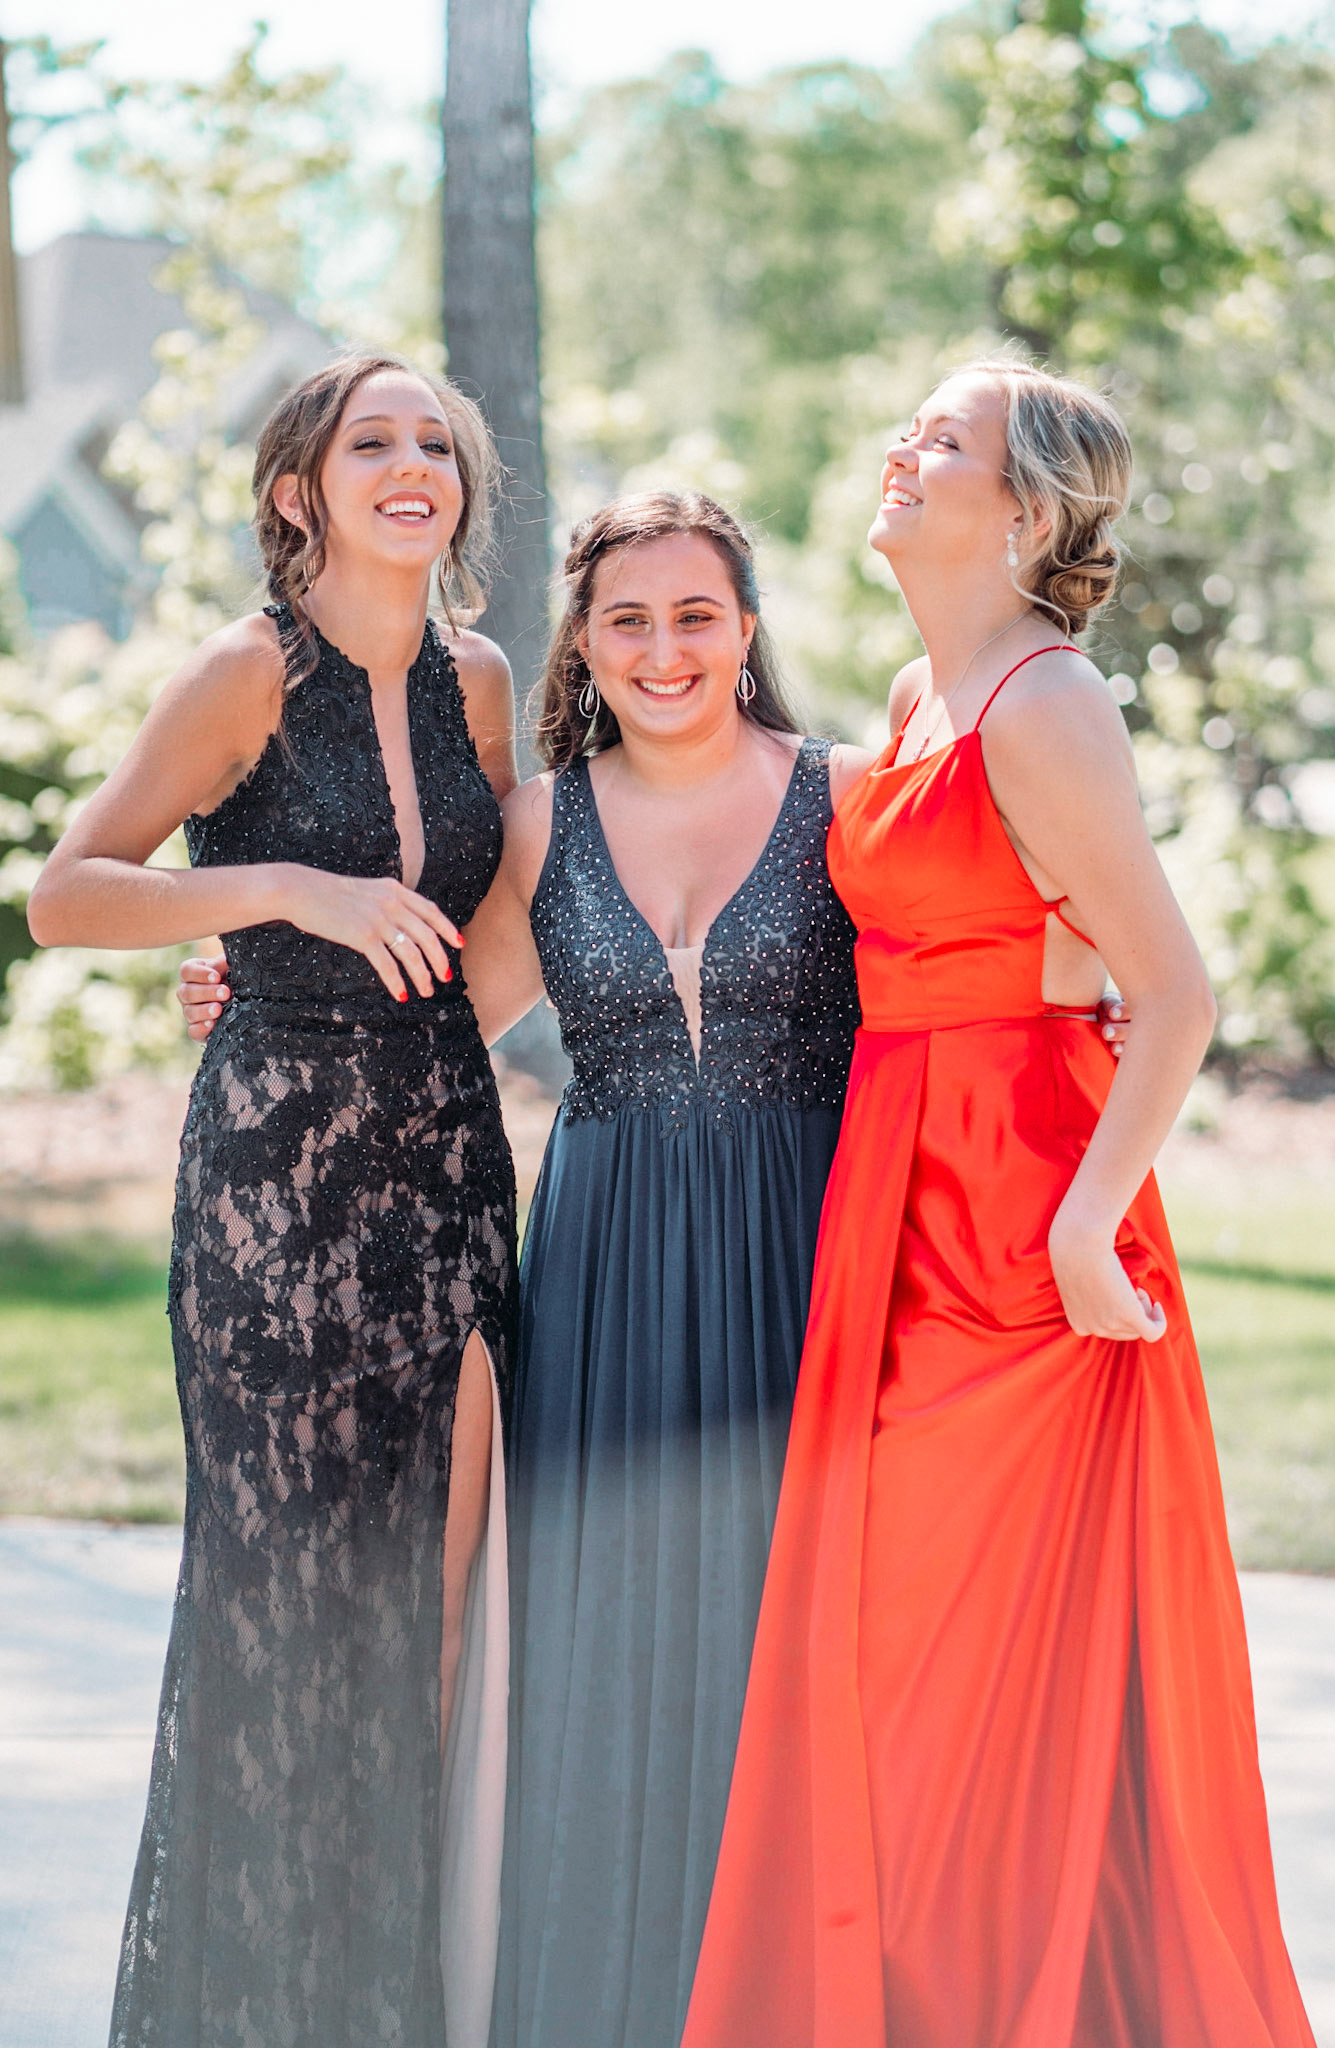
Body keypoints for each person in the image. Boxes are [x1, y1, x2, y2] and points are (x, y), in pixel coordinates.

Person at [176, 488, 1130, 2048]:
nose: (663, 649)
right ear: (585, 641)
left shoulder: (846, 796)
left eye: (695, 615)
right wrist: (264, 984)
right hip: (606, 1270)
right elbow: (431, 1020)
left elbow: (997, 939)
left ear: (746, 629)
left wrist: (1089, 1016)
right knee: (609, 1635)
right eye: (627, 619)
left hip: (815, 1255)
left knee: (805, 1638)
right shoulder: (539, 824)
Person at [682, 362, 1316, 2048]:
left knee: (949, 1688)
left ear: (1025, 512)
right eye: (912, 426)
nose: (903, 450)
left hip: (1019, 1224)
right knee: (879, 1668)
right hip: (893, 1188)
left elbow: (1170, 993)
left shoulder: (1046, 703)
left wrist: (1084, 1225)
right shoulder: (915, 691)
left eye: (944, 441)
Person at [27, 354, 520, 2048]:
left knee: (432, 1626)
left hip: (449, 1181)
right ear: (299, 490)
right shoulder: (243, 673)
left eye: (434, 441)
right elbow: (70, 895)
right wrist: (284, 895)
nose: (412, 463)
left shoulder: (479, 680)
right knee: (285, 1618)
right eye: (371, 440)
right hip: (275, 1197)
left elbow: (498, 928)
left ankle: (399, 2007)